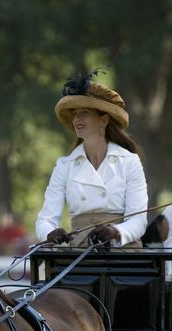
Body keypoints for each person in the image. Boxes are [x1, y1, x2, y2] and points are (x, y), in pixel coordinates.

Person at [35, 72, 148, 248]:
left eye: (84, 113)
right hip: (78, 251)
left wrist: (116, 232)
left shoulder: (129, 161)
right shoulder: (64, 166)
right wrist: (50, 233)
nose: (77, 119)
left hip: (122, 252)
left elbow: (139, 220)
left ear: (103, 120)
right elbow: (46, 219)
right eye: (75, 113)